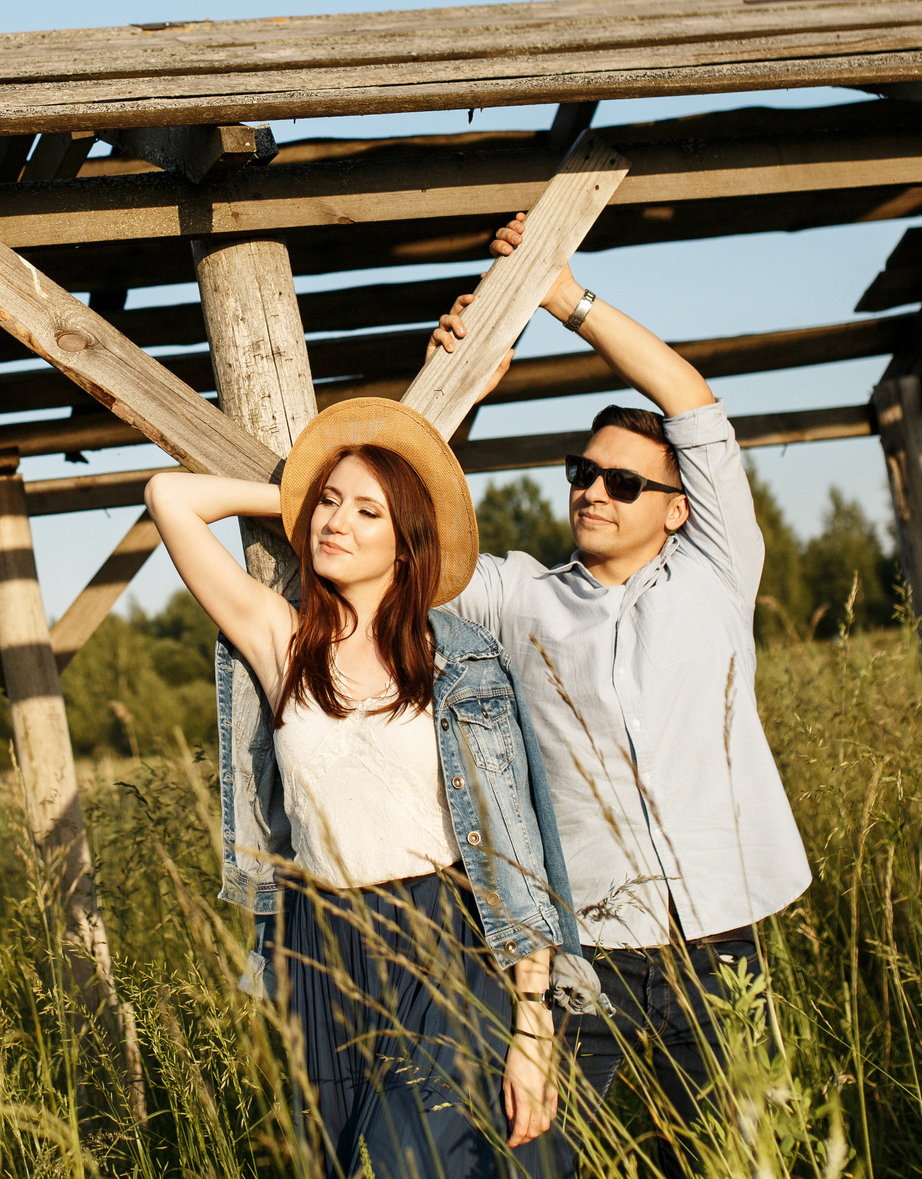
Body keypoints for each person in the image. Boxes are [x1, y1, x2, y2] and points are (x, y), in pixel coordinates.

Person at [428, 212, 813, 1177]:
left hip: (726, 937)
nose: (594, 490)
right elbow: (416, 540)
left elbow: (691, 402)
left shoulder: (718, 571)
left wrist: (567, 298)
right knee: (556, 1159)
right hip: (590, 955)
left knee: (738, 1157)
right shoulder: (522, 597)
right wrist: (466, 383)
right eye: (583, 473)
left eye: (623, 481)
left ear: (678, 508)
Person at [146, 397, 599, 1179]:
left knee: (414, 1161)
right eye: (328, 501)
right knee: (336, 1160)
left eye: (366, 511)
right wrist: (294, 491)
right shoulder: (281, 640)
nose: (334, 521)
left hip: (441, 935)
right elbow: (170, 496)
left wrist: (534, 1031)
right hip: (314, 944)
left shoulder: (458, 665)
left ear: (405, 543)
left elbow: (514, 851)